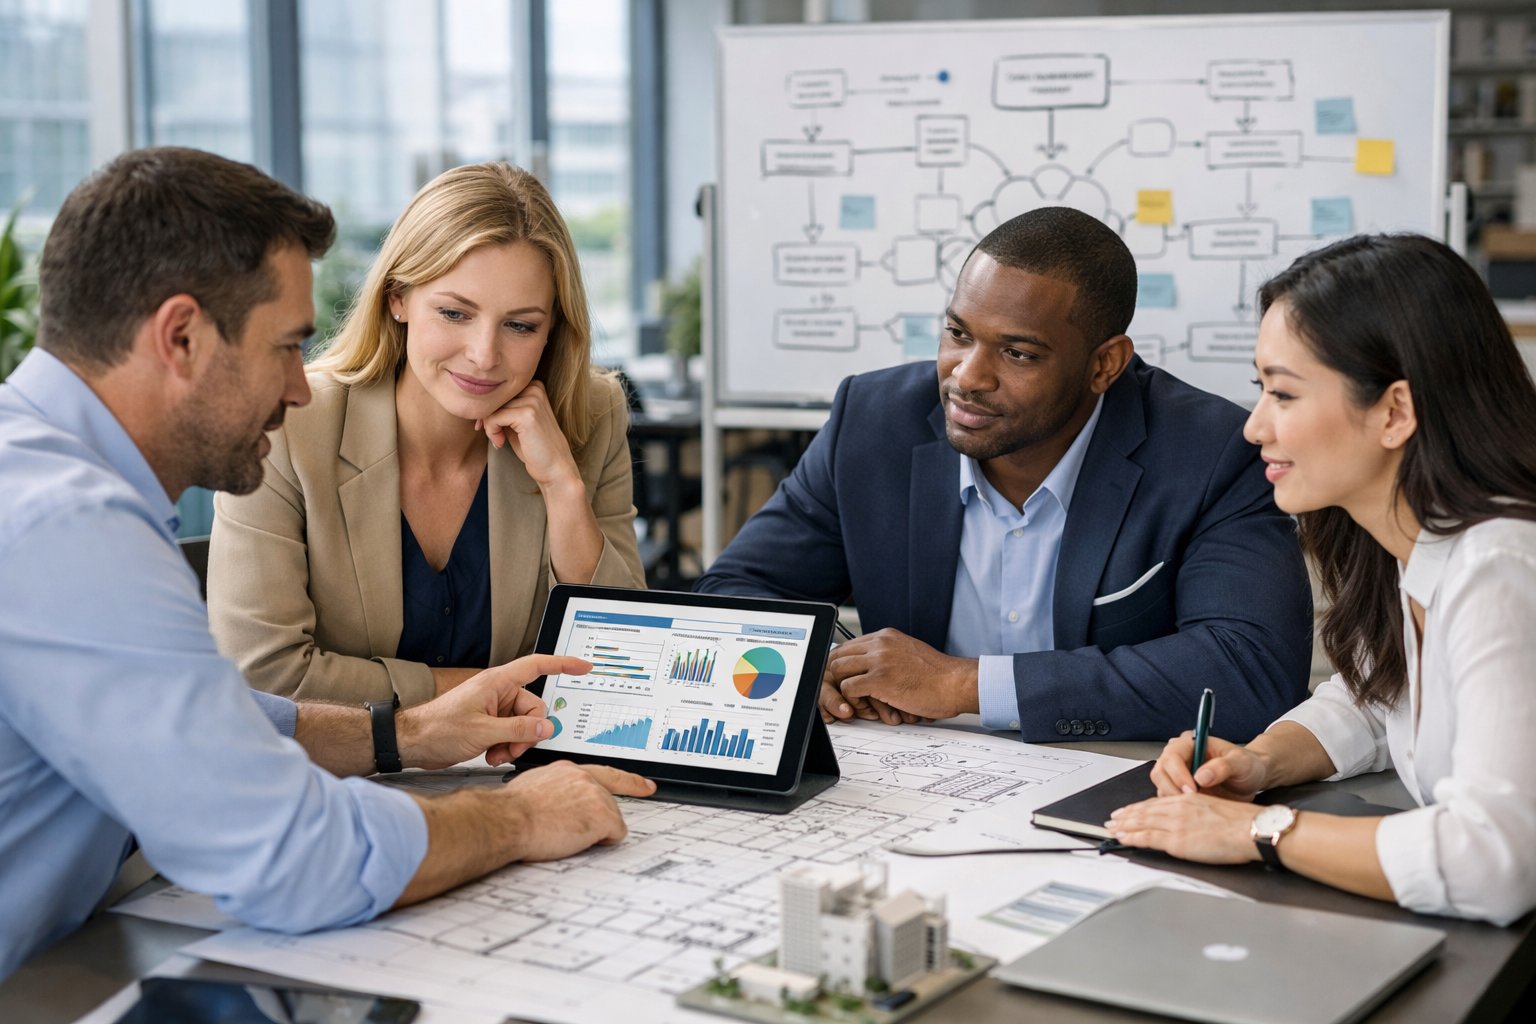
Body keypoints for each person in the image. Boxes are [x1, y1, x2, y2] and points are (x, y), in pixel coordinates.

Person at [0, 147, 654, 980]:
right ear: (182, 337)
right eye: (286, 346)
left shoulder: (42, 478)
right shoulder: (71, 527)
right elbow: (291, 856)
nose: (301, 387)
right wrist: (518, 820)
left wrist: (409, 730)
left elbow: (217, 719)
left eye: (521, 324)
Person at [696, 207, 1312, 742]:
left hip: (1109, 781)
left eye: (1017, 353)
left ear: (1105, 365)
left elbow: (1249, 670)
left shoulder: (1211, 453)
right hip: (908, 776)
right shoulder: (874, 422)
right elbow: (734, 591)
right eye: (957, 334)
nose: (967, 376)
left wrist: (964, 684)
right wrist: (821, 667)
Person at [1108, 234, 1536, 925]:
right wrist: (1260, 761)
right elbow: (1378, 698)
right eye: (1261, 390)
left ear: (1395, 412)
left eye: (1282, 393)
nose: (1254, 428)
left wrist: (1258, 832)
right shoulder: (1417, 548)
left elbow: (1495, 861)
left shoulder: (1503, 570)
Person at [207, 162, 645, 708]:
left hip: (515, 773)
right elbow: (265, 678)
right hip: (346, 779)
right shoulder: (288, 424)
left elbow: (624, 671)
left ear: (554, 327)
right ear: (397, 298)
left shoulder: (590, 416)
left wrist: (563, 487)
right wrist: (484, 695)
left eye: (521, 325)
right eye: (455, 313)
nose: (485, 355)